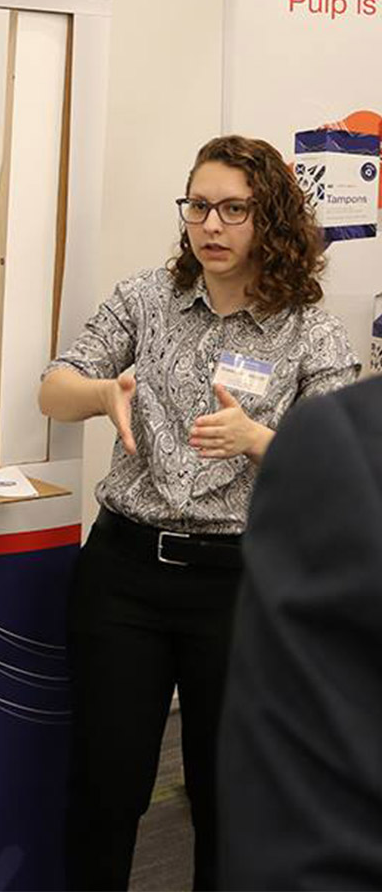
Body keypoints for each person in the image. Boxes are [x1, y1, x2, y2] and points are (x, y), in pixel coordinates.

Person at [38, 134, 359, 891]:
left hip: (240, 587)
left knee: (229, 797)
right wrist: (99, 393)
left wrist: (258, 441)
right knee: (105, 790)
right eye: (198, 206)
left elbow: (344, 469)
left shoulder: (308, 326)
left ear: (270, 218)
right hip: (123, 574)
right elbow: (54, 387)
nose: (211, 226)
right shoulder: (145, 299)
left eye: (234, 210)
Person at [218, 374, 382, 891]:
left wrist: (257, 438)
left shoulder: (344, 437)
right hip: (136, 571)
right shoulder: (145, 305)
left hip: (232, 568)